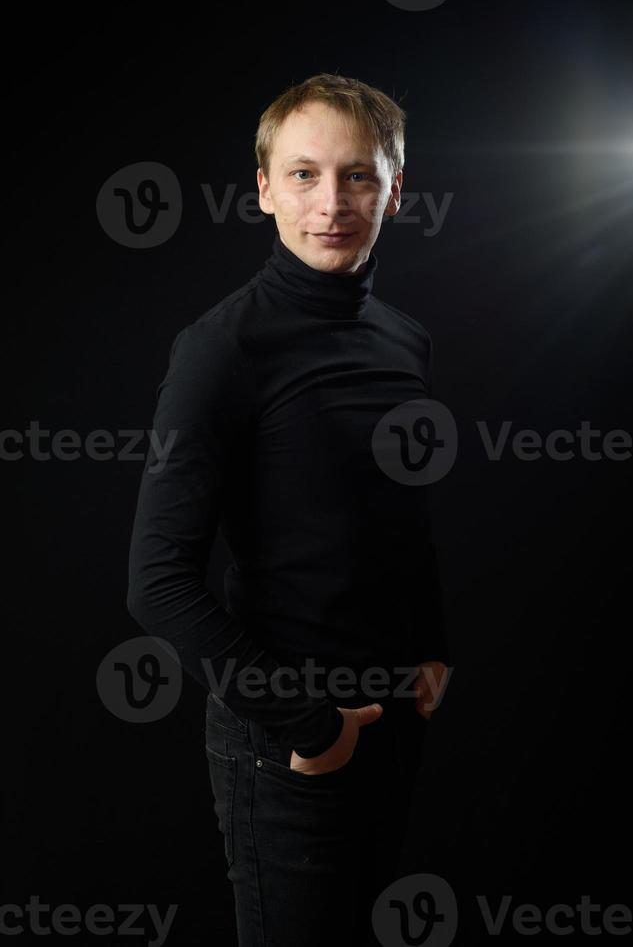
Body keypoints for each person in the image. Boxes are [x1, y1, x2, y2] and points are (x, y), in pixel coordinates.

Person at [126, 72, 451, 947]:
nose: (333, 203)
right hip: (291, 739)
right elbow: (156, 583)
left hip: (391, 721)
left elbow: (394, 513)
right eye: (304, 175)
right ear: (264, 189)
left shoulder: (402, 337)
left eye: (359, 176)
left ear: (396, 191)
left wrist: (431, 648)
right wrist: (309, 725)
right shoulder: (221, 349)